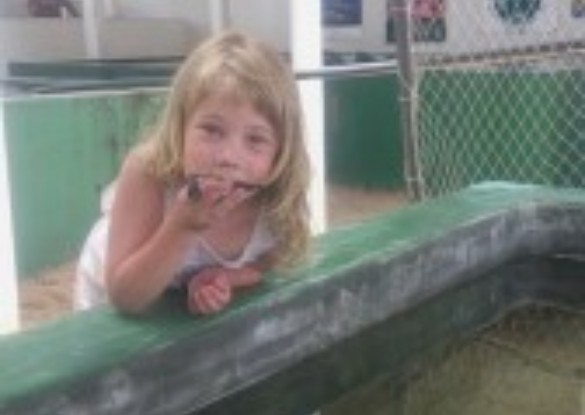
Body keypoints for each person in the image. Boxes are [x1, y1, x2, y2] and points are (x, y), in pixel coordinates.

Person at [74, 30, 311, 315]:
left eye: (255, 140)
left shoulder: (277, 194)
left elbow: (269, 260)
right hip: (113, 298)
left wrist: (226, 277)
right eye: (212, 130)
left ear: (281, 151)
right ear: (180, 126)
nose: (228, 158)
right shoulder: (149, 170)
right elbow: (125, 298)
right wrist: (182, 227)